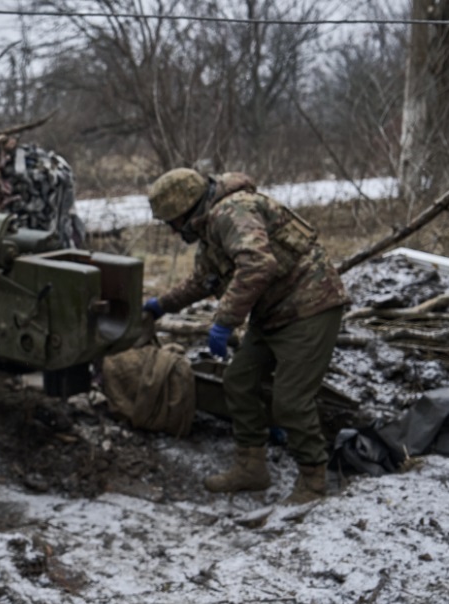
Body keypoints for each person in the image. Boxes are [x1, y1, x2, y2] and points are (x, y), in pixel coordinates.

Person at [143, 167, 350, 504]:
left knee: (290, 400)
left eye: (172, 221)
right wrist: (160, 306)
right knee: (239, 380)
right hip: (273, 312)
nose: (171, 229)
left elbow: (258, 264)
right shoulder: (211, 227)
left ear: (186, 210)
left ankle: (313, 482)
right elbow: (203, 280)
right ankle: (251, 467)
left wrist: (225, 321)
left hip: (310, 306)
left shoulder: (233, 211)